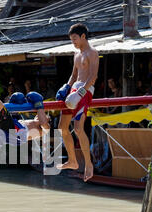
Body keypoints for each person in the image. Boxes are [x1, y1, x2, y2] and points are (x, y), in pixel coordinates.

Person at [55, 23, 99, 181]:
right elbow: (73, 76)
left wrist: (80, 93)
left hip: (84, 91)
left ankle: (88, 164)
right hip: (73, 90)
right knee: (62, 127)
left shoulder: (92, 52)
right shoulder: (76, 54)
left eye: (74, 38)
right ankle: (72, 160)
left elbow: (93, 76)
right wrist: (66, 87)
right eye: (71, 39)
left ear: (83, 36)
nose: (72, 41)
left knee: (79, 129)